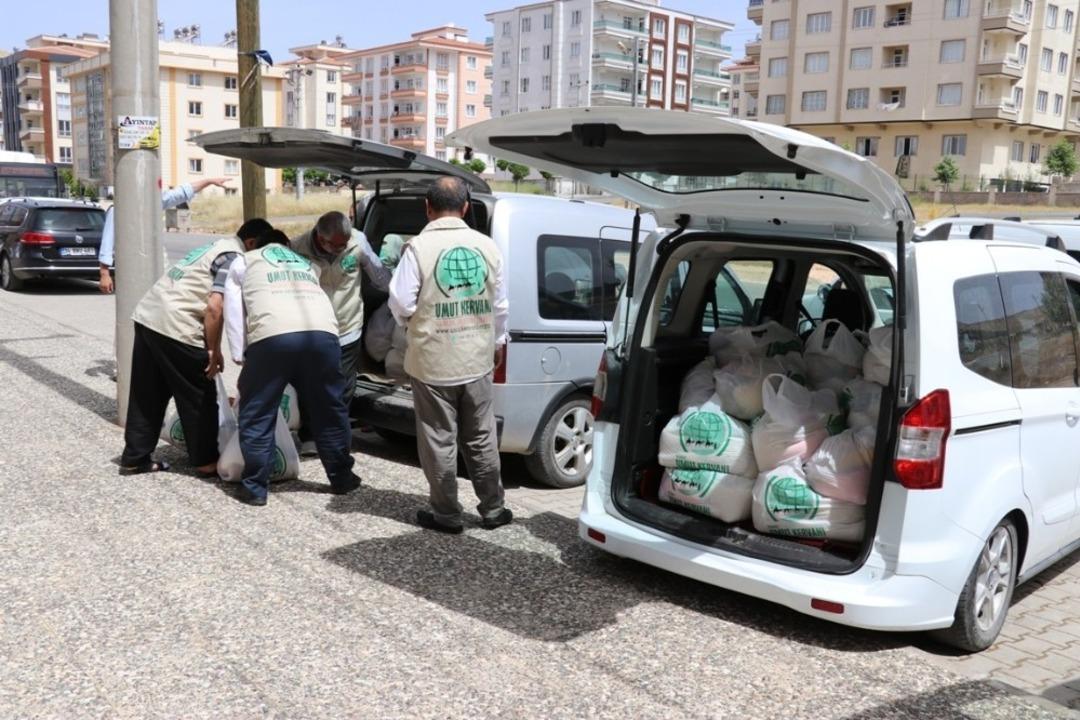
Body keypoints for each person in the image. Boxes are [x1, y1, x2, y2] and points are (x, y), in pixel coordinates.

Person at [388, 176, 512, 533]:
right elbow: (500, 305)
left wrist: (414, 323)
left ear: (427, 208)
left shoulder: (417, 248)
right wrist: (497, 343)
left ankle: (446, 514)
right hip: (477, 359)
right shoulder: (488, 247)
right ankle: (493, 509)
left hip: (432, 362)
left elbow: (400, 302)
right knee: (481, 437)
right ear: (466, 207)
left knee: (438, 438)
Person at [118, 217, 273, 476]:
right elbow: (215, 307)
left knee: (147, 393)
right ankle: (206, 460)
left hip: (149, 316)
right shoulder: (234, 258)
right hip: (177, 323)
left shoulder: (218, 245)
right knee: (199, 392)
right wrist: (213, 350)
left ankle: (135, 457)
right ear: (251, 242)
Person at [223, 229, 361, 506]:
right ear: (286, 245)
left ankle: (255, 488)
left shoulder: (244, 261)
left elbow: (234, 310)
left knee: (258, 411)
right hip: (323, 337)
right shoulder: (307, 264)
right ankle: (341, 477)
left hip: (273, 338)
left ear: (255, 245)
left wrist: (240, 353)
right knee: (329, 408)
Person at [291, 211, 391, 457]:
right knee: (312, 383)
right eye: (336, 245)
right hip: (314, 328)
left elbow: (379, 275)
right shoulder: (297, 249)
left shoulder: (357, 241)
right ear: (320, 238)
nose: (342, 249)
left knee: (343, 385)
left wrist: (398, 293)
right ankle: (310, 435)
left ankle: (335, 437)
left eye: (344, 244)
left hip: (348, 325)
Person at [99, 177, 231, 294]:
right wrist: (104, 274)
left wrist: (208, 181)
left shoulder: (153, 202)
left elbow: (182, 193)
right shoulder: (119, 210)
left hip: (158, 271)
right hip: (132, 273)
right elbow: (107, 243)